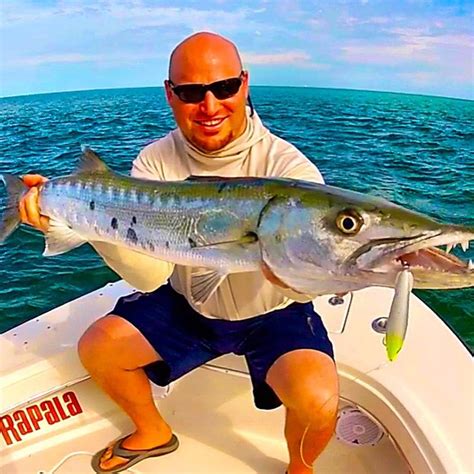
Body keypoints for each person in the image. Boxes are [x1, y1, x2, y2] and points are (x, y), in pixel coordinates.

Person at [19, 32, 339, 474]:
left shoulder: (289, 170)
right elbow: (151, 277)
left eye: (223, 87)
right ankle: (153, 432)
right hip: (188, 300)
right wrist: (84, 224)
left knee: (319, 400)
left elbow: (312, 266)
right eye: (191, 92)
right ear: (170, 94)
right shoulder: (155, 162)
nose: (209, 105)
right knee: (99, 348)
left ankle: (299, 470)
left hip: (272, 313)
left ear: (244, 84)